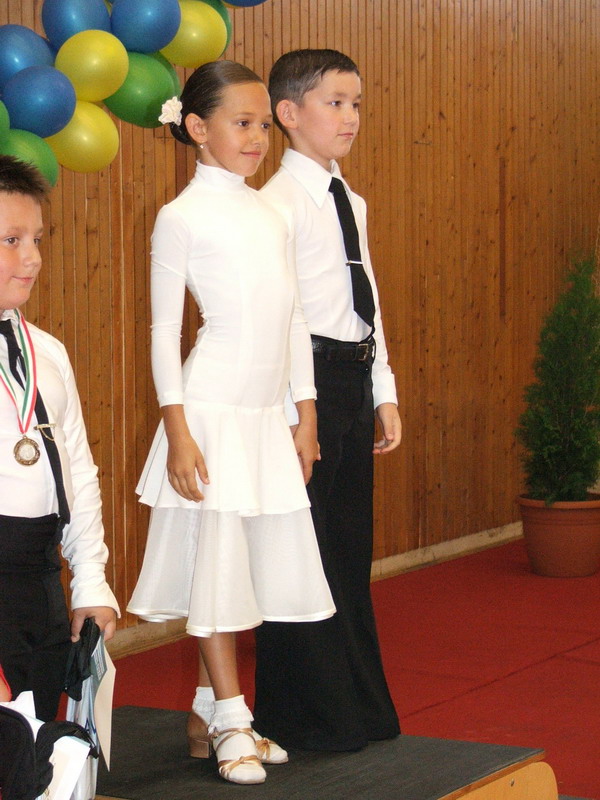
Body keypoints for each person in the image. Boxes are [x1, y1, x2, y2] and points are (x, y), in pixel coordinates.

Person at [127, 61, 335, 786]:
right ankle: (231, 717)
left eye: (262, 125)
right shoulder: (181, 216)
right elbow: (164, 332)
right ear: (196, 127)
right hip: (211, 411)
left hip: (264, 416)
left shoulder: (269, 213)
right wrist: (179, 430)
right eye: (241, 123)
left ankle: (205, 713)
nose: (257, 138)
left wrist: (305, 411)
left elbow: (295, 317)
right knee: (216, 569)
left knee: (240, 573)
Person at [253, 49, 402, 752]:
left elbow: (365, 298)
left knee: (346, 551)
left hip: (351, 379)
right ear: (288, 113)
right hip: (303, 386)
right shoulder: (276, 205)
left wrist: (383, 390)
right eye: (335, 103)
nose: (350, 117)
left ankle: (360, 708)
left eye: (356, 104)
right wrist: (298, 413)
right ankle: (304, 716)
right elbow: (280, 320)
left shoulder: (351, 200)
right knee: (300, 555)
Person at [0, 155, 119, 723]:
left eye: (37, 239)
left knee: (39, 739)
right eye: (11, 240)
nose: (33, 258)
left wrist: (90, 580)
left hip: (40, 578)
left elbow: (78, 469)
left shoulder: (47, 352)